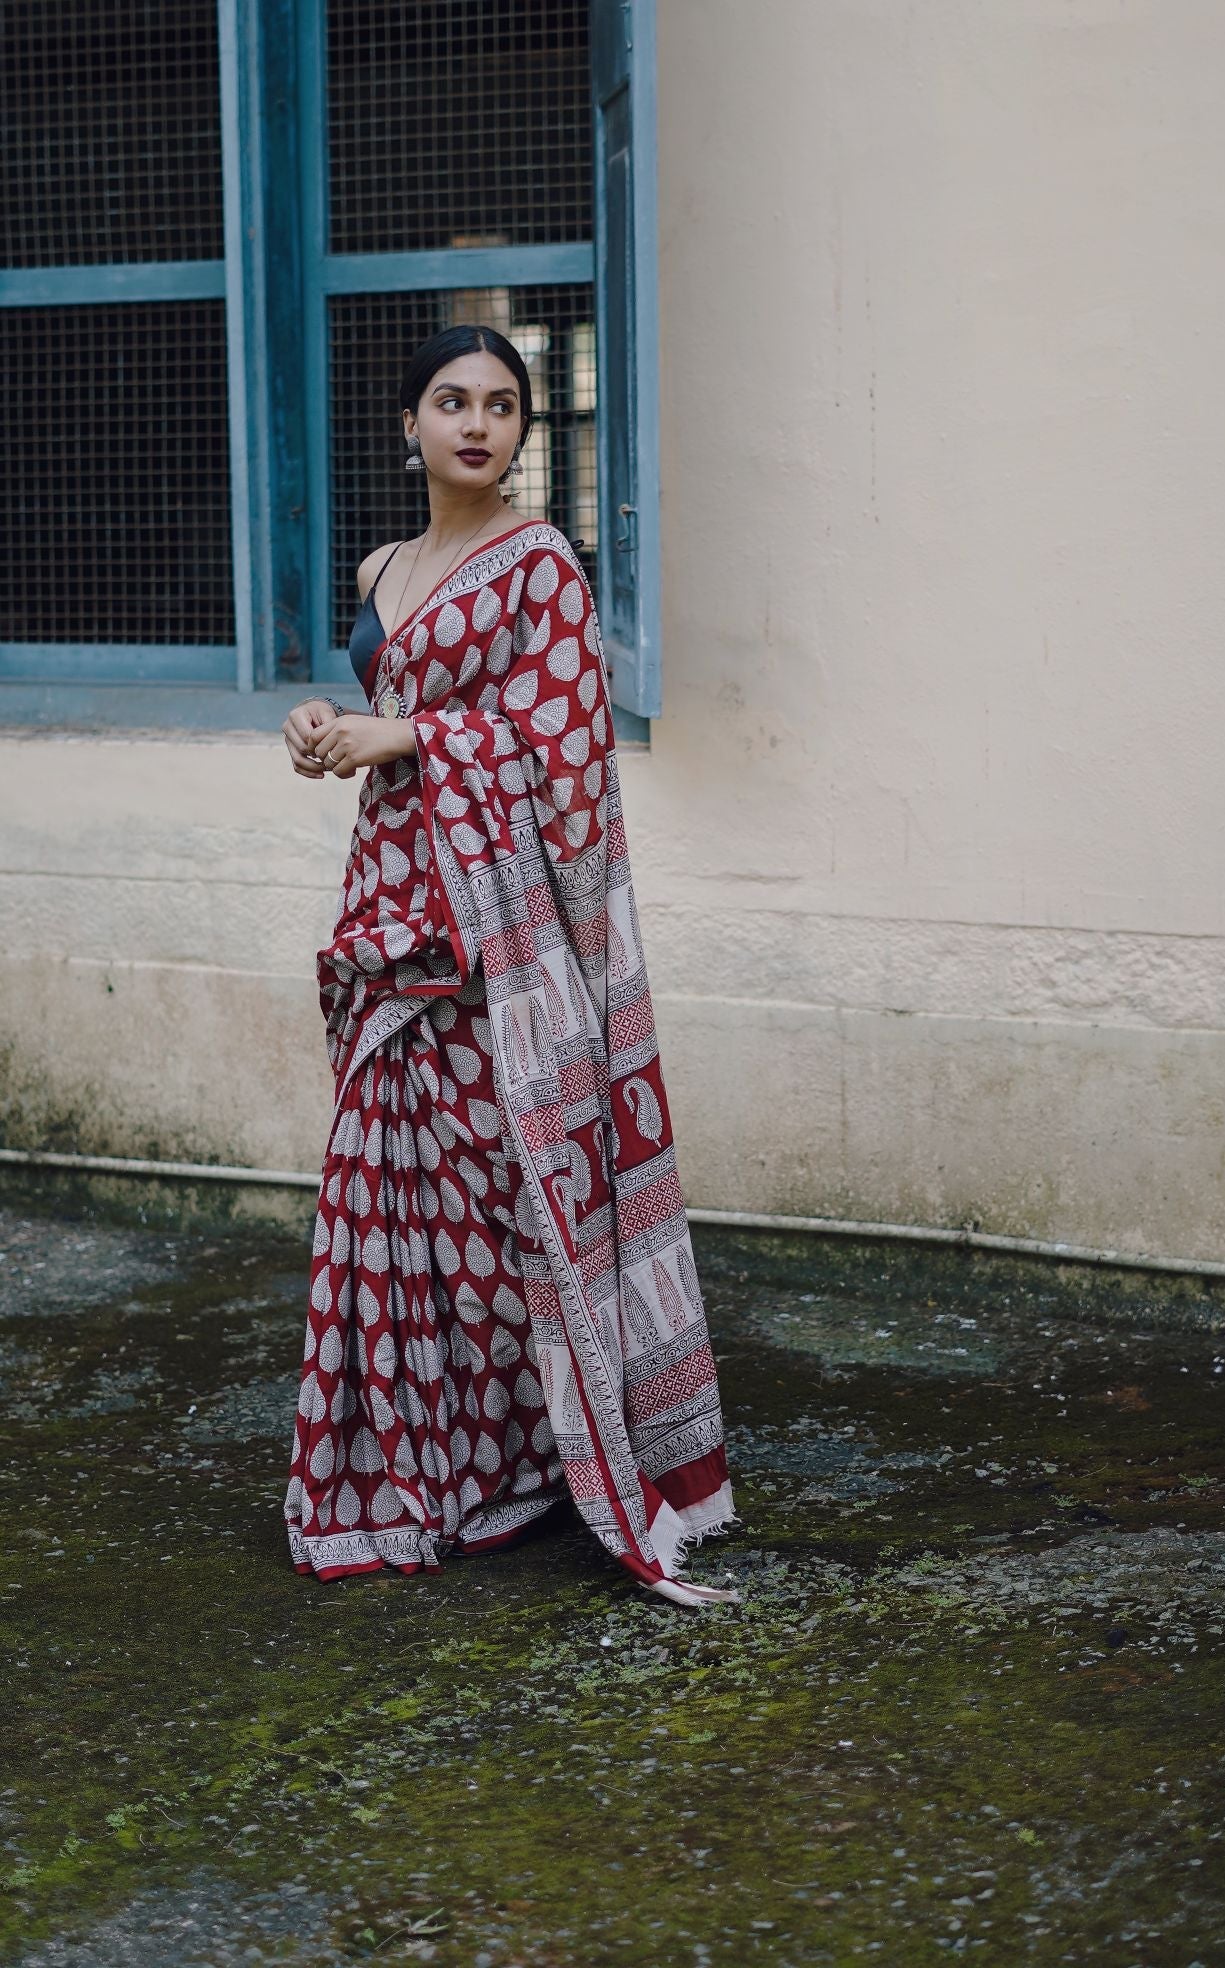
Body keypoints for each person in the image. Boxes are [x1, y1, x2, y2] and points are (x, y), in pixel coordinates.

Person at [279, 323, 737, 1607]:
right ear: (408, 424)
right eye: (451, 401)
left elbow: (563, 740)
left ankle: (548, 1456)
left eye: (500, 404)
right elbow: (383, 711)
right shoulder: (381, 567)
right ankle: (425, 1466)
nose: (476, 423)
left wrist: (411, 738)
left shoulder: (540, 567)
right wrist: (324, 723)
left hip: (496, 934)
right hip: (390, 909)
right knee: (393, 1198)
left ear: (523, 430)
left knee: (502, 1200)